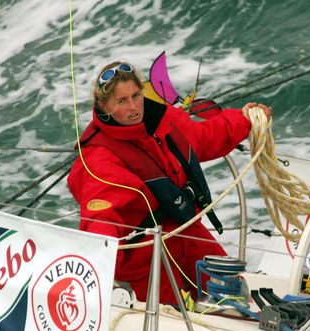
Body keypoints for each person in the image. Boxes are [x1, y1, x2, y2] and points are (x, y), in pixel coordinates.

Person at [68, 61, 271, 305]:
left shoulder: (162, 119)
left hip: (186, 233)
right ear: (102, 106)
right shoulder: (98, 160)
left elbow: (202, 138)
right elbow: (101, 225)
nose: (133, 107)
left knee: (236, 298)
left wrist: (244, 120)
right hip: (146, 258)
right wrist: (97, 280)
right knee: (170, 320)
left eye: (136, 96)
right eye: (121, 101)